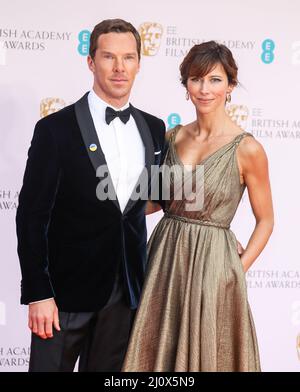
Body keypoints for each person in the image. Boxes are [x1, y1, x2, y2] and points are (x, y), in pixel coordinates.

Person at [16, 19, 165, 372]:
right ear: (90, 61)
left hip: (125, 293)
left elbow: (151, 201)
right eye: (109, 57)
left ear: (139, 64)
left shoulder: (153, 128)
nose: (119, 67)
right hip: (63, 295)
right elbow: (31, 215)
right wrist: (38, 292)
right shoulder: (55, 129)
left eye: (128, 58)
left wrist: (217, 230)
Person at [122, 41, 274, 372]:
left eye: (215, 80)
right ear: (186, 85)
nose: (204, 89)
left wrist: (236, 268)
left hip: (214, 264)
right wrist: (109, 205)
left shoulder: (247, 149)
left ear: (231, 85)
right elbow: (156, 202)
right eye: (196, 79)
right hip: (165, 257)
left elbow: (266, 220)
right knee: (155, 354)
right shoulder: (171, 137)